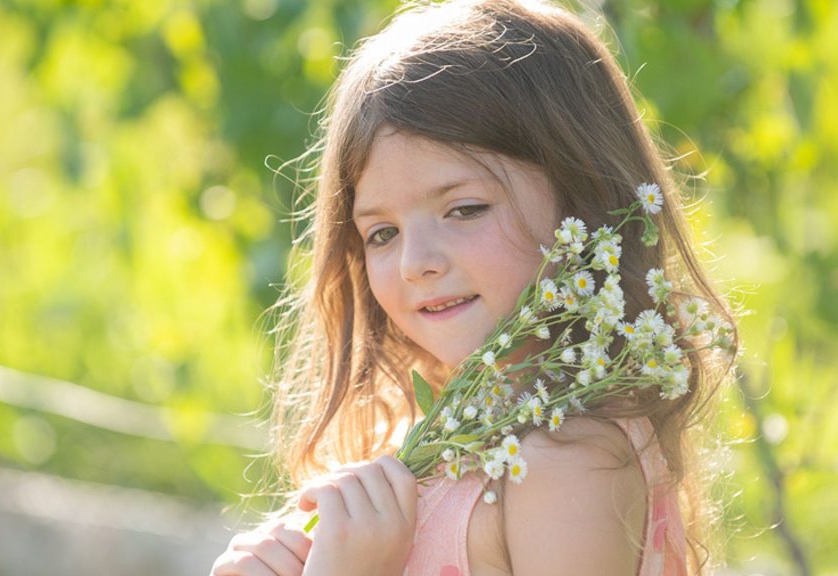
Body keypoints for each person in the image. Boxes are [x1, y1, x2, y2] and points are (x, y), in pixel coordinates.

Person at [211, 0, 736, 574]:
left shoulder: (564, 466)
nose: (415, 263)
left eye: (463, 210)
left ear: (581, 199)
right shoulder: (420, 444)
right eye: (382, 232)